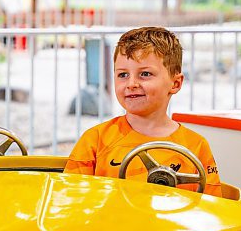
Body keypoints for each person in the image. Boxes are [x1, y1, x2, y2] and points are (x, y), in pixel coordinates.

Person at [64, 27, 222, 197]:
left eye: (145, 74)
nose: (131, 83)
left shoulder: (195, 146)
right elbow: (71, 198)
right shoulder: (95, 140)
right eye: (123, 75)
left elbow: (212, 207)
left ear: (175, 84)